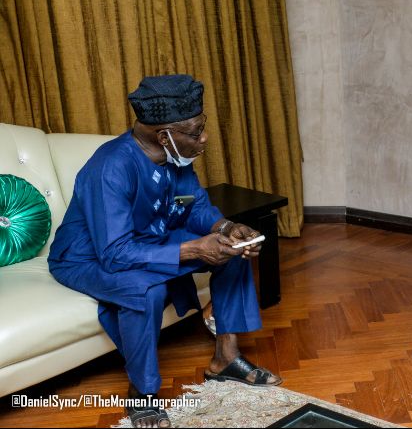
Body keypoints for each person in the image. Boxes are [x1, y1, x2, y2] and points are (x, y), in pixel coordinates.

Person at [48, 75, 281, 428]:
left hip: (149, 240)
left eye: (203, 127)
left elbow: (195, 206)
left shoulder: (177, 156)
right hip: (86, 257)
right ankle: (142, 394)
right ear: (164, 135)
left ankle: (226, 360)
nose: (203, 138)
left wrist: (225, 229)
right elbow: (114, 254)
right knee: (146, 287)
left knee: (230, 252)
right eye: (195, 132)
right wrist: (192, 249)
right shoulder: (110, 167)